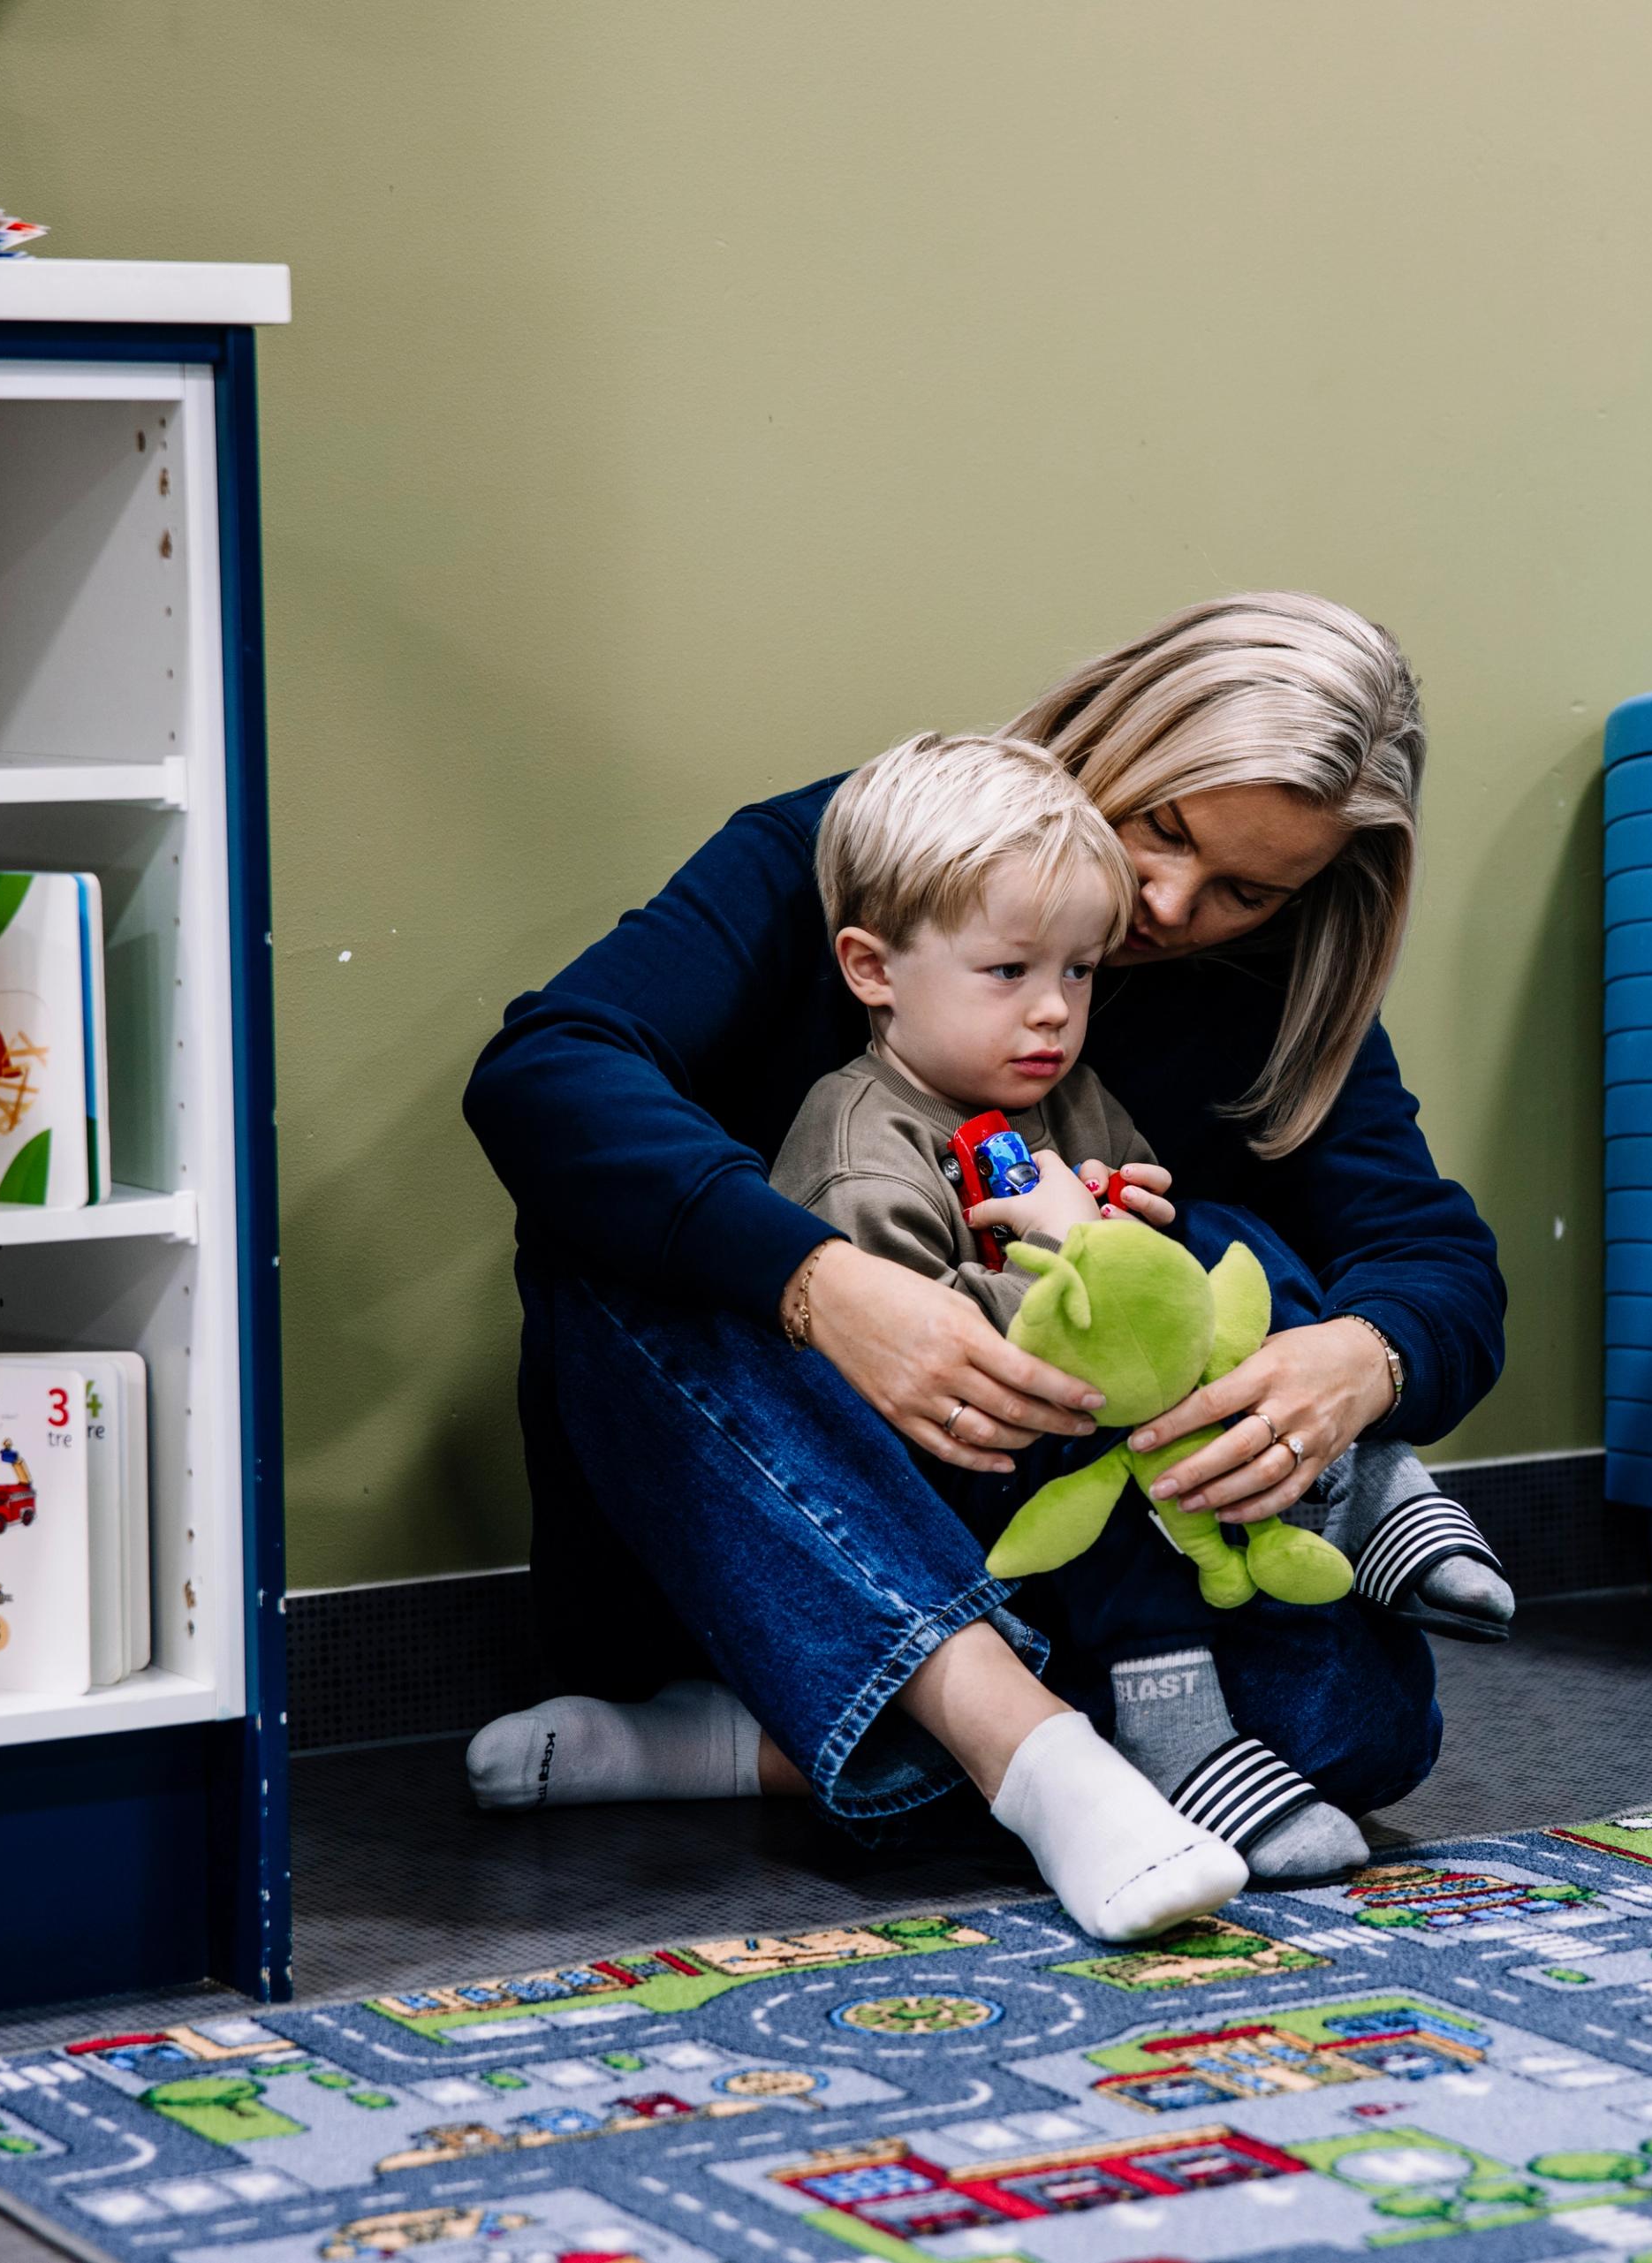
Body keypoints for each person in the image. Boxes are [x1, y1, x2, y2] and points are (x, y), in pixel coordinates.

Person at [458, 593, 1511, 1940]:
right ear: (1109, 728)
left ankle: (801, 1745)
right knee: (617, 1235)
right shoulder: (865, 851)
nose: (1170, 903)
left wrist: (1357, 1368)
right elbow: (547, 1073)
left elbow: (1434, 1258)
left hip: (1104, 1571)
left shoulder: (1268, 982)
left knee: (1366, 1729)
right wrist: (824, 1286)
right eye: (1164, 827)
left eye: (1247, 889)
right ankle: (1035, 1756)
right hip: (783, 1524)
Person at [768, 729, 1368, 1886]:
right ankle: (1169, 1723)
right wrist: (1076, 1251)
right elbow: (909, 1358)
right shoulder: (862, 1145)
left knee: (1234, 1236)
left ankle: (1352, 1476)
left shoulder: (1065, 1100)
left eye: (1078, 973)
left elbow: (1148, 1276)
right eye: (1010, 972)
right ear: (872, 968)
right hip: (973, 1486)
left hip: (1128, 1437)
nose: (1053, 1013)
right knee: (1118, 1522)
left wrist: (1136, 1233)